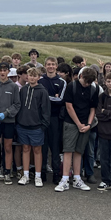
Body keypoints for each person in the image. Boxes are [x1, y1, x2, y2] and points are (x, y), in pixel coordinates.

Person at [56, 67, 99, 192]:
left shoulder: (93, 89)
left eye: (89, 83)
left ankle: (77, 178)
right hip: (71, 123)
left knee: (79, 151)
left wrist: (89, 124)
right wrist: (79, 124)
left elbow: (93, 109)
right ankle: (64, 179)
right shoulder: (72, 86)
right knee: (68, 150)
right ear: (81, 77)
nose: (86, 85)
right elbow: (69, 106)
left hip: (86, 124)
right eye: (85, 81)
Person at [15, 68, 50, 186]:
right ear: (27, 76)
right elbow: (19, 106)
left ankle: (38, 176)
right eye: (30, 75)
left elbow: (46, 110)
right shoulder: (23, 90)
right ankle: (25, 175)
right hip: (23, 125)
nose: (32, 78)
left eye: (35, 76)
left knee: (37, 150)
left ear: (39, 77)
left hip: (37, 126)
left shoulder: (43, 91)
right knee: (25, 149)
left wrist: (43, 125)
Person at [39, 57, 66, 185]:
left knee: (55, 147)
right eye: (48, 64)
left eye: (53, 64)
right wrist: (51, 97)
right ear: (45, 66)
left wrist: (46, 98)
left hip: (55, 118)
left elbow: (60, 100)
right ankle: (42, 172)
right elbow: (37, 99)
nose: (50, 66)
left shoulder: (61, 82)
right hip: (41, 118)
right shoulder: (40, 80)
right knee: (42, 146)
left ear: (56, 66)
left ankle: (56, 173)